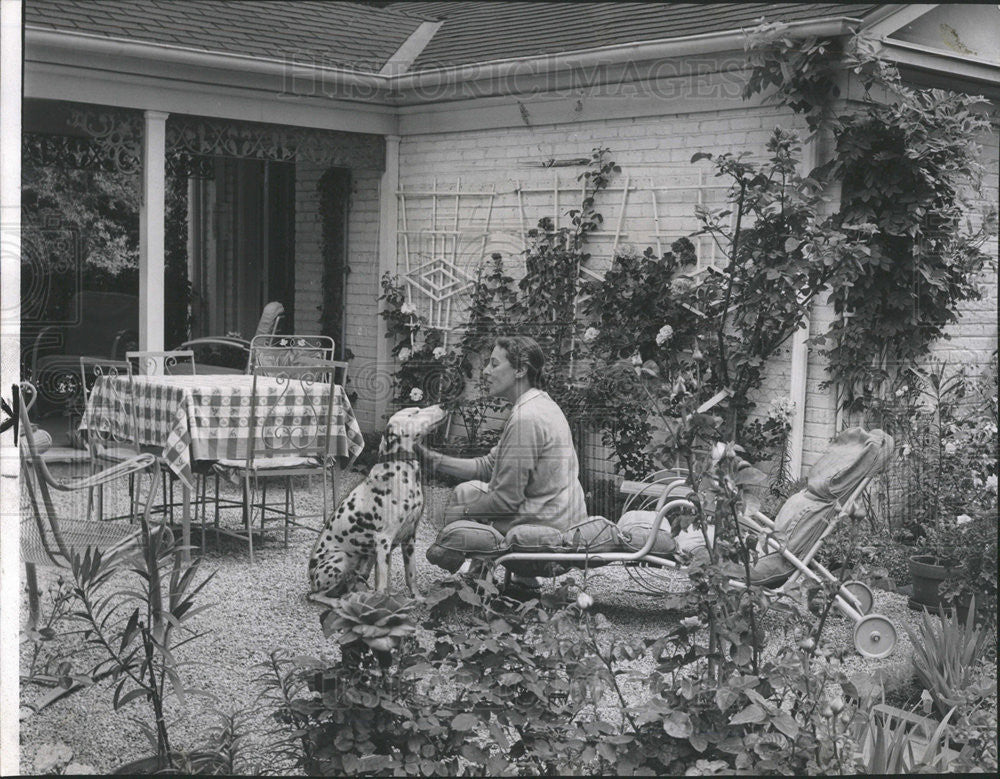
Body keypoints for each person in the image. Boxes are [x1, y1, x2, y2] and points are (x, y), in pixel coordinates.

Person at [417, 337, 587, 592]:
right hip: (561, 519)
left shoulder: (526, 419)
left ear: (520, 370)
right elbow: (488, 465)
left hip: (547, 535)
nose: (485, 371)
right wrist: (432, 459)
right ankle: (500, 578)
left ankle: (481, 574)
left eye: (494, 364)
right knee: (468, 491)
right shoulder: (539, 404)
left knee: (462, 512)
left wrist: (459, 516)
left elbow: (505, 501)